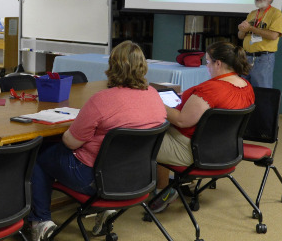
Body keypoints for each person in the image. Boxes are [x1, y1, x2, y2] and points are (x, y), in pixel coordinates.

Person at [28, 41, 167, 241]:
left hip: (95, 180)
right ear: (143, 66)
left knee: (38, 155)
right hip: (138, 178)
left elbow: (70, 142)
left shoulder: (102, 100)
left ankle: (40, 222)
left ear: (112, 66)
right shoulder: (154, 95)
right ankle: (106, 210)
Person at [149, 41, 255, 213]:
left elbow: (182, 121)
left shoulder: (211, 90)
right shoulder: (246, 87)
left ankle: (161, 191)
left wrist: (155, 103)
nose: (207, 66)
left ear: (218, 63)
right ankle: (183, 183)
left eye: (207, 62)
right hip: (224, 150)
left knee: (146, 134)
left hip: (191, 152)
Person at [238, 0, 282, 88]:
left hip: (263, 59)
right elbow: (241, 36)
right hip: (247, 57)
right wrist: (241, 30)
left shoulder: (276, 14)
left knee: (262, 92)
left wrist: (251, 28)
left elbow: (273, 35)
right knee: (244, 90)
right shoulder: (252, 13)